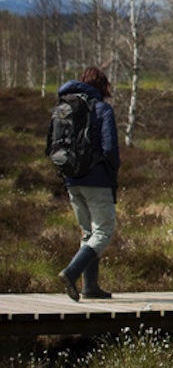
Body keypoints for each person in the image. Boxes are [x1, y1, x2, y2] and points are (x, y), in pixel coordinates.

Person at [53, 66, 121, 301]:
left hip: (71, 178)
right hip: (97, 179)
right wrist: (112, 171)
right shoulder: (102, 108)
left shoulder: (64, 106)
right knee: (103, 231)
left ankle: (90, 287)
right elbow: (110, 148)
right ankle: (72, 272)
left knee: (88, 232)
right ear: (102, 86)